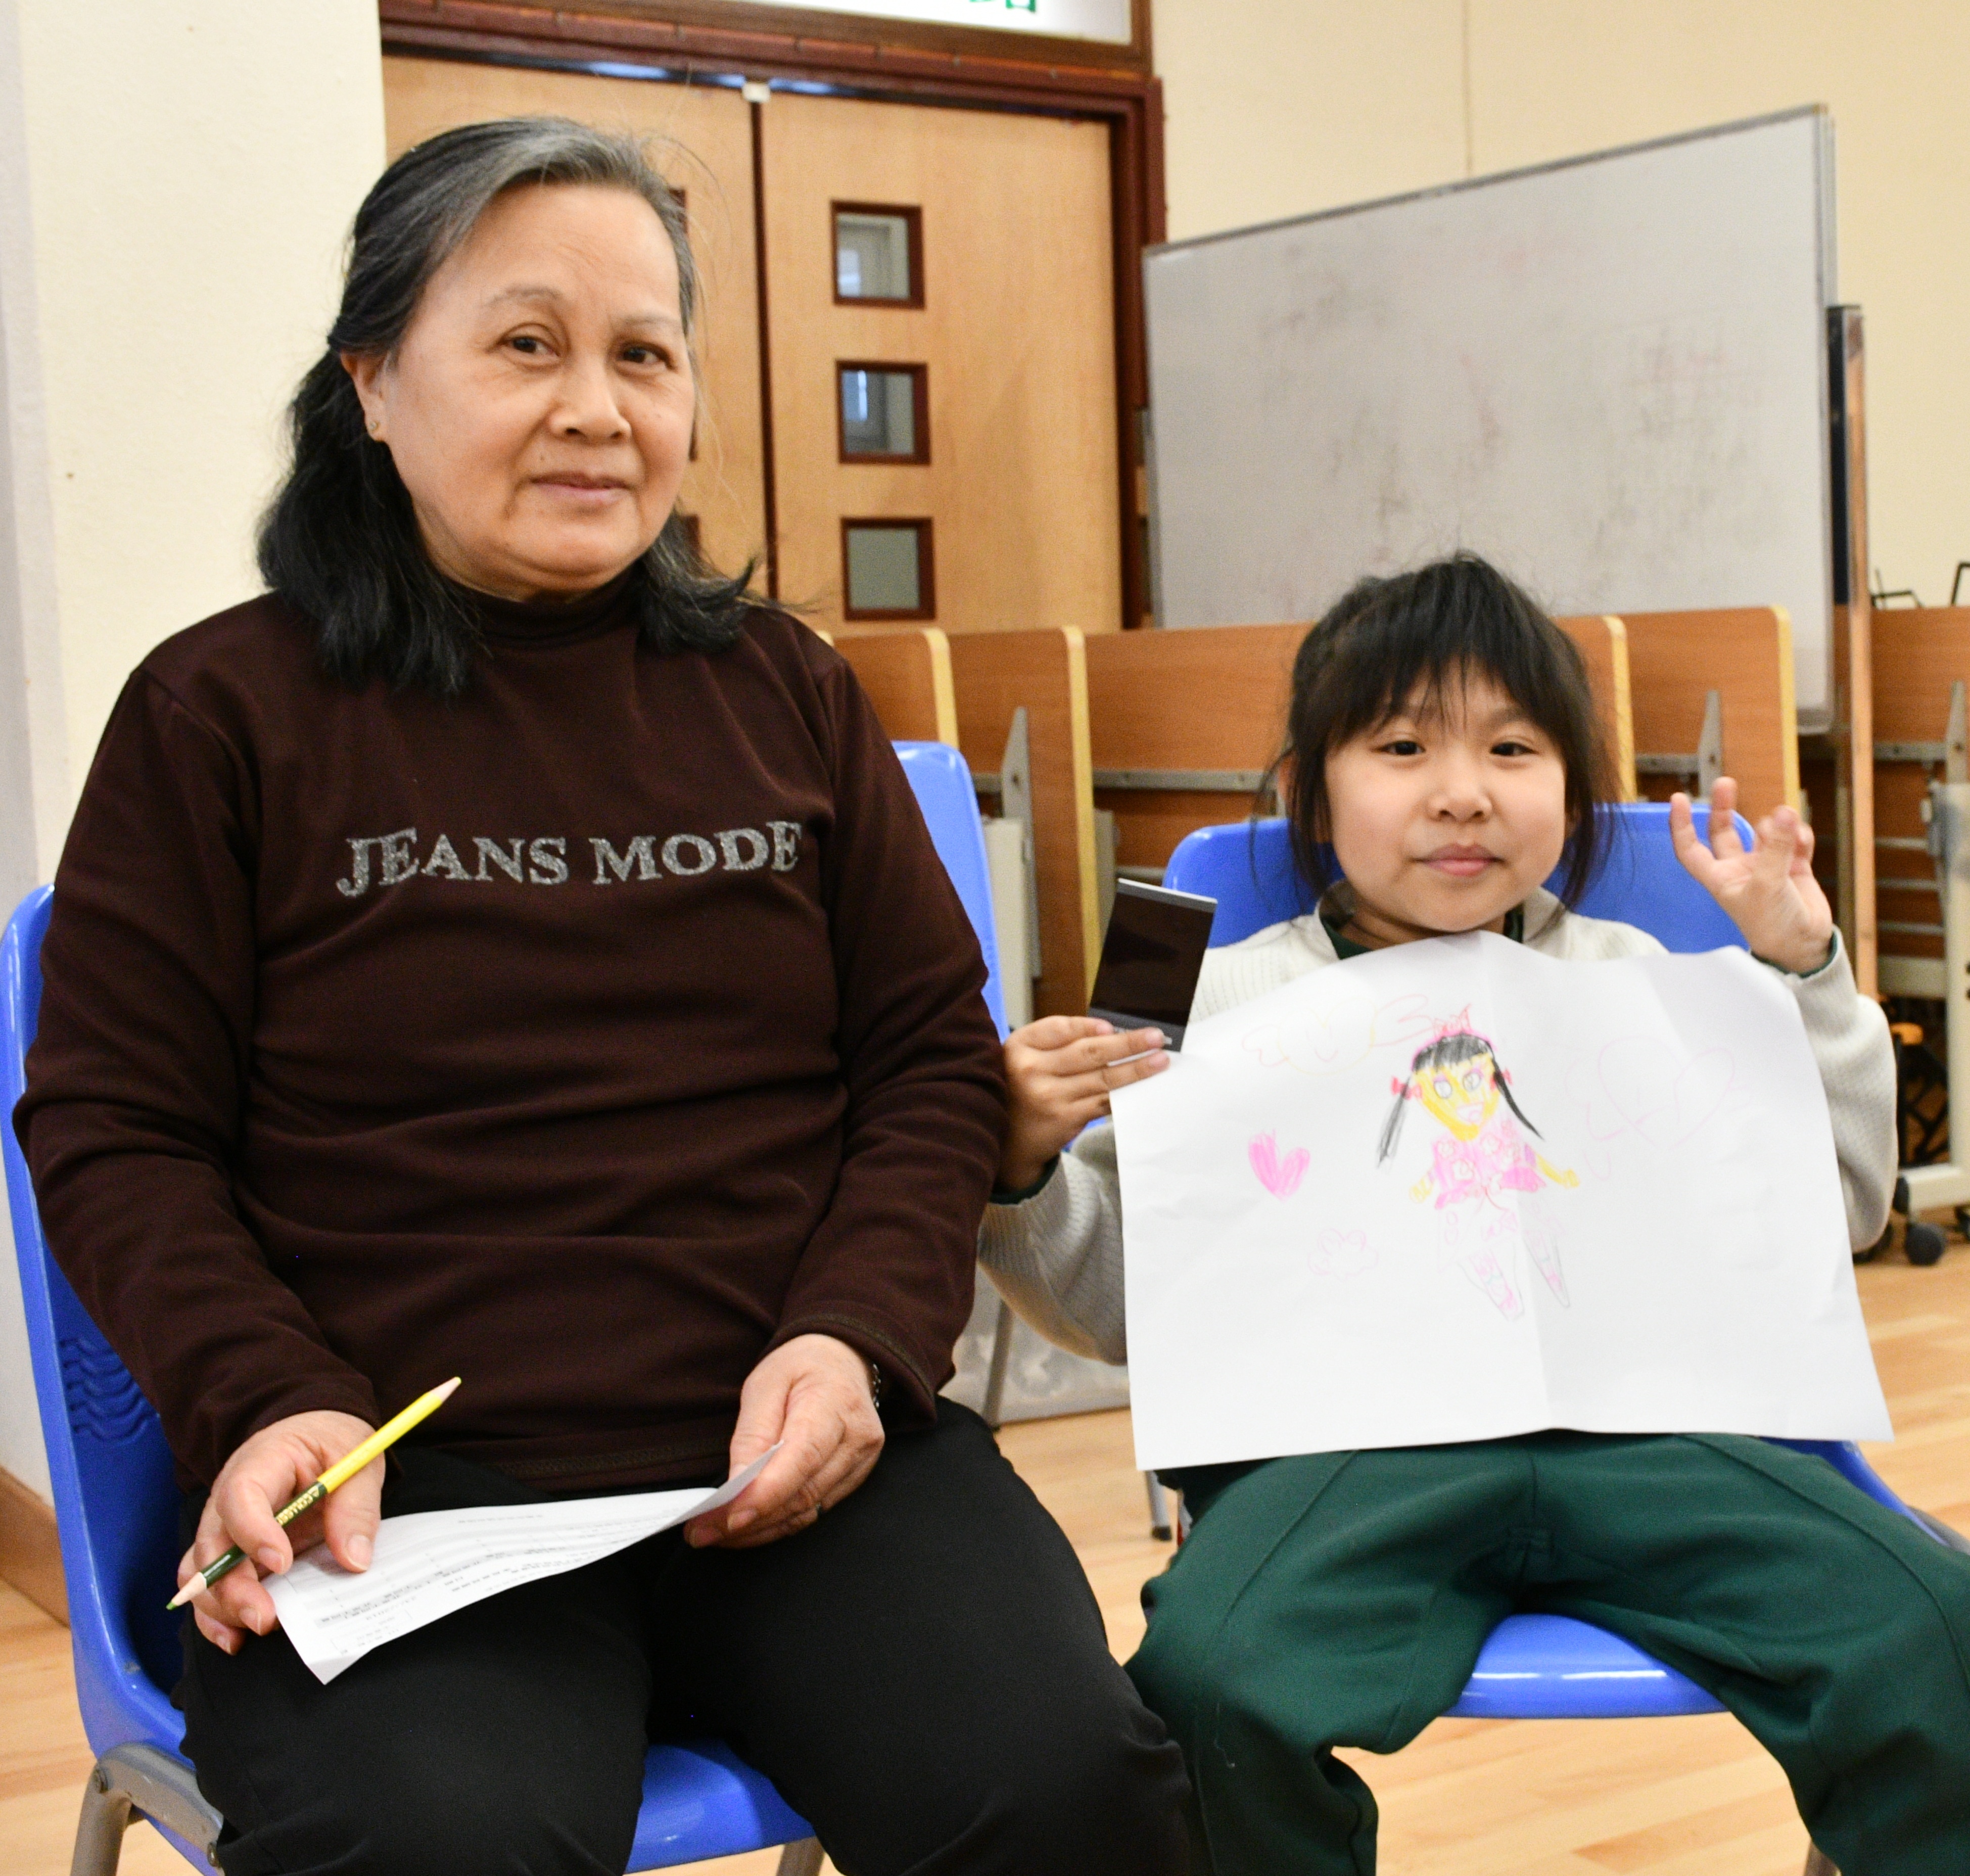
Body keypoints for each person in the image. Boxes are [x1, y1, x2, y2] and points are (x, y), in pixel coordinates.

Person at [14, 118, 1187, 1875]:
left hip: (800, 1454)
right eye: (526, 344)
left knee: (1069, 1786)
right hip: (408, 1502)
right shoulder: (220, 715)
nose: (597, 408)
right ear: (374, 383)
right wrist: (267, 1393)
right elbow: (117, 1128)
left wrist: (855, 1341)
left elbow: (929, 1070)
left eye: (644, 354)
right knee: (435, 1845)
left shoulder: (785, 692)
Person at [980, 554, 1970, 1874]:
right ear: (1312, 787)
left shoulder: (1640, 974)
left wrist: (1807, 973)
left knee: (1943, 1624)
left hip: (1656, 1442)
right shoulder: (1198, 990)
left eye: (1514, 747)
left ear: (1572, 789)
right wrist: (1021, 1170)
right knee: (1212, 1676)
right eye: (1402, 746)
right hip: (1337, 1460)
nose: (1462, 791)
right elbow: (1122, 1309)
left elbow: (1842, 1209)